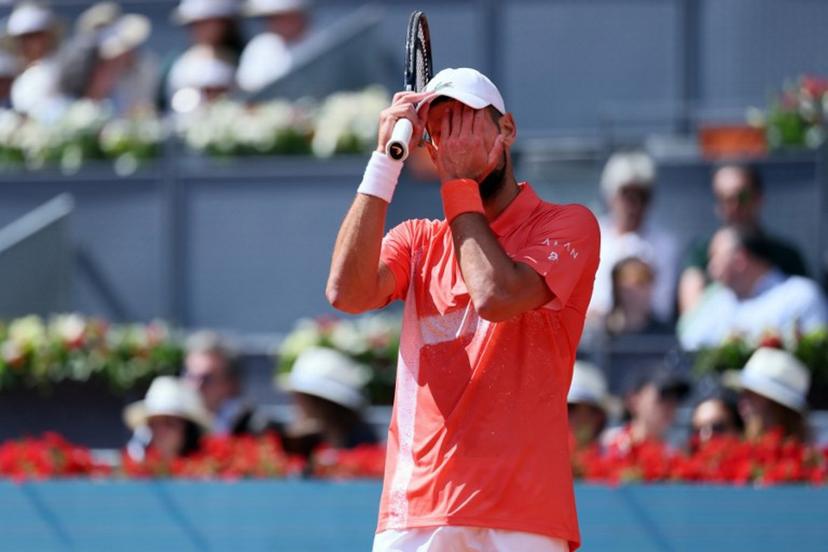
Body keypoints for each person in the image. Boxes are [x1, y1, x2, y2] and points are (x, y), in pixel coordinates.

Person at [327, 67, 600, 551]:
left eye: (468, 123)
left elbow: (497, 295)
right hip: (415, 509)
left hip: (524, 514)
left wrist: (457, 184)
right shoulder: (417, 241)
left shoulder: (569, 224)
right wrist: (383, 163)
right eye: (440, 131)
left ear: (507, 130)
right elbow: (346, 293)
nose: (454, 141)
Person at [678, 164, 808, 314]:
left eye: (742, 197)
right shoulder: (700, 251)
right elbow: (691, 320)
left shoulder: (787, 256)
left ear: (758, 198)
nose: (734, 206)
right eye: (724, 198)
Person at [678, 225, 828, 349]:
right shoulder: (717, 301)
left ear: (740, 259)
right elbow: (690, 344)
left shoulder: (801, 296)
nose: (710, 268)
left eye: (715, 256)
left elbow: (818, 361)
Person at [588, 151, 678, 325]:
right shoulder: (588, 237)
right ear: (611, 196)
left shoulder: (665, 245)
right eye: (627, 195)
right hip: (593, 343)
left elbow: (662, 308)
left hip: (645, 341)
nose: (634, 204)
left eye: (641, 196)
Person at [280, 346, 378, 457]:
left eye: (302, 397)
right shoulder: (294, 443)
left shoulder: (363, 443)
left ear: (322, 404)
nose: (296, 403)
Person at [161, 0, 245, 110]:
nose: (202, 30)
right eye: (196, 24)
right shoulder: (174, 62)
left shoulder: (241, 60)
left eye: (209, 23)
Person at [183, 331, 260, 436]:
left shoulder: (255, 428)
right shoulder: (176, 428)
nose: (196, 386)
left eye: (207, 378)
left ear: (230, 383)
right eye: (191, 377)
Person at [602, 366, 690, 456]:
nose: (670, 406)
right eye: (663, 397)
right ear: (634, 400)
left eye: (675, 399)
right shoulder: (606, 445)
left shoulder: (675, 454)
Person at [124, 375, 213, 462]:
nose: (160, 430)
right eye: (154, 423)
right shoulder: (141, 469)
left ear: (188, 428)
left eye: (169, 423)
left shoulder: (209, 470)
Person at [737, 347, 810, 442]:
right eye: (743, 394)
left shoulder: (810, 454)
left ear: (777, 405)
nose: (742, 403)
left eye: (751, 394)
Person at [237, 0, 312, 93]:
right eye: (270, 18)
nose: (273, 23)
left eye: (281, 16)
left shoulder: (321, 38)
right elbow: (250, 89)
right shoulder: (261, 46)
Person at [7, 1, 61, 117]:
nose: (25, 44)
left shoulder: (60, 69)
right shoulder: (21, 78)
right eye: (21, 39)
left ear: (48, 37)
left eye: (32, 36)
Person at [606, 256, 672, 336]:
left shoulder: (665, 334)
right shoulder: (602, 332)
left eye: (640, 283)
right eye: (625, 285)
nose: (633, 292)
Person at [567, 361, 614, 450]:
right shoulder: (541, 456)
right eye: (571, 408)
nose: (581, 418)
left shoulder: (615, 455)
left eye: (592, 411)